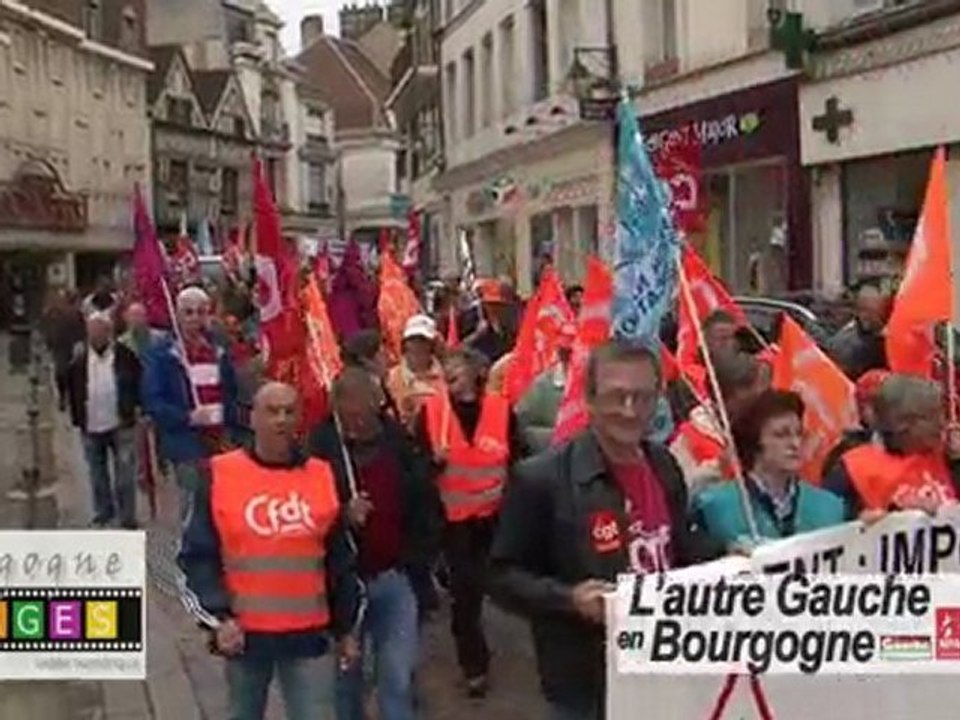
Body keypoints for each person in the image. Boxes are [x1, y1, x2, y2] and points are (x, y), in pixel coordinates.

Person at [488, 340, 721, 720]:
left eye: (643, 398)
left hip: (661, 669)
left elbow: (680, 545)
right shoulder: (541, 478)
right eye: (617, 397)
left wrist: (736, 556)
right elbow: (501, 576)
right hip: (588, 686)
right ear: (590, 400)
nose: (630, 411)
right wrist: (570, 598)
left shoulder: (663, 464)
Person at [178, 382, 363, 720]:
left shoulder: (321, 475)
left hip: (309, 637)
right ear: (253, 418)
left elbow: (340, 559)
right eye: (272, 411)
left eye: (289, 412)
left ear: (300, 419)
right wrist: (217, 620)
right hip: (246, 638)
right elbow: (196, 556)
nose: (281, 420)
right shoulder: (221, 474)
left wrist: (346, 628)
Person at [309, 368, 442, 720]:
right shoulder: (319, 450)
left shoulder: (400, 445)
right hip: (345, 586)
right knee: (348, 680)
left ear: (377, 404)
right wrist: (340, 515)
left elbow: (426, 506)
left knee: (397, 677)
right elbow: (306, 517)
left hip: (395, 577)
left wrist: (420, 559)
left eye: (361, 415)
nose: (354, 424)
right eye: (346, 416)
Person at [414, 347, 525, 698]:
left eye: (456, 367)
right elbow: (414, 471)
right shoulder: (431, 413)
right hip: (454, 522)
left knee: (505, 587)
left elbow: (519, 461)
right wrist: (433, 463)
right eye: (445, 368)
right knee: (464, 597)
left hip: (495, 519)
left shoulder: (501, 410)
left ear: (477, 371)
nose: (449, 372)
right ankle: (473, 666)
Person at [693, 390, 845, 547]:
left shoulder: (830, 507)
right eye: (781, 435)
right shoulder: (716, 507)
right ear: (754, 441)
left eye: (799, 434)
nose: (795, 444)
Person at [142, 287, 239, 515]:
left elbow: (232, 393)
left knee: (222, 507)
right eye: (188, 312)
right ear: (177, 315)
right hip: (186, 445)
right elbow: (154, 402)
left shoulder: (220, 352)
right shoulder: (163, 355)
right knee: (193, 508)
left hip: (221, 443)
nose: (194, 318)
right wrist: (187, 417)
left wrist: (230, 424)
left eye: (200, 312)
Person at [824, 374, 960, 519]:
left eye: (942, 415)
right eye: (931, 417)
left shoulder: (947, 458)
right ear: (901, 424)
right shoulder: (852, 469)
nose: (942, 424)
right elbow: (825, 526)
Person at [66, 312, 142, 528]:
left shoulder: (126, 356)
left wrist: (137, 408)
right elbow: (72, 387)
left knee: (124, 474)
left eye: (100, 331)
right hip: (91, 424)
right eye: (92, 331)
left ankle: (127, 516)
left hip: (121, 423)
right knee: (97, 474)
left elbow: (138, 381)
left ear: (109, 333)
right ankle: (103, 512)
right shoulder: (79, 359)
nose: (95, 336)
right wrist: (76, 416)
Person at [669, 351, 767, 492]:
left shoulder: (775, 430)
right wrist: (718, 468)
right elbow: (679, 492)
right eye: (751, 398)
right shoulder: (689, 439)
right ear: (722, 395)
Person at [516, 323, 577, 453]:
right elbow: (520, 428)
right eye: (564, 351)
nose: (568, 356)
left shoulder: (596, 383)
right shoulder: (541, 386)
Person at [820, 369, 889, 477]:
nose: (886, 409)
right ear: (861, 409)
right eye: (875, 403)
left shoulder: (916, 442)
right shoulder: (847, 455)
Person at [385, 314, 447, 430]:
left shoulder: (447, 373)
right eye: (412, 339)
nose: (417, 345)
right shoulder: (392, 378)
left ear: (432, 344)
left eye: (422, 340)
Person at [827, 282, 890, 380]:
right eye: (865, 310)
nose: (868, 315)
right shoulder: (846, 343)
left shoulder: (886, 337)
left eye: (874, 311)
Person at [42, 289, 85, 412]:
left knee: (64, 374)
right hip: (64, 346)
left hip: (66, 346)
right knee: (66, 374)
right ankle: (66, 398)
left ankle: (65, 398)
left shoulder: (71, 315)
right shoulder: (58, 314)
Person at [465, 279, 516, 365]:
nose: (495, 308)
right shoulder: (470, 319)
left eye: (498, 305)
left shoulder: (508, 323)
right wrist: (477, 334)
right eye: (491, 304)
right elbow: (459, 348)